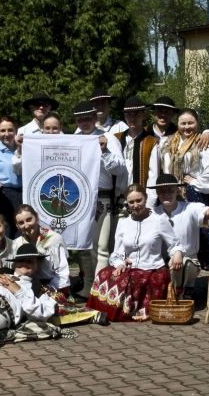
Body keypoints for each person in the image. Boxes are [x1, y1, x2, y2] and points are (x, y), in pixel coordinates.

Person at [87, 184, 181, 322]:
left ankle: (138, 310)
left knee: (139, 279)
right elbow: (117, 253)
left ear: (146, 198)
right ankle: (102, 312)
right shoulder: (123, 223)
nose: (135, 205)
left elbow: (174, 244)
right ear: (127, 203)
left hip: (152, 269)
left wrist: (177, 254)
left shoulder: (159, 220)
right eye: (131, 202)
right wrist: (119, 263)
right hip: (130, 268)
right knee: (104, 274)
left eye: (139, 200)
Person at [72, 101, 126, 299]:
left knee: (102, 247)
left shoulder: (109, 138)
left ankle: (99, 288)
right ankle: (87, 286)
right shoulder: (73, 139)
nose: (84, 122)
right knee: (83, 247)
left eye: (88, 118)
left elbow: (120, 169)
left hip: (102, 197)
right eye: (80, 119)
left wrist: (104, 151)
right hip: (79, 199)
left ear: (95, 118)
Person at [159, 108, 209, 269]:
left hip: (193, 194)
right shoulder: (167, 142)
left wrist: (196, 182)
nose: (187, 127)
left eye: (191, 123)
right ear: (177, 124)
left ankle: (199, 278)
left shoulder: (202, 141)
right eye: (183, 123)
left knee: (197, 236)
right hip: (171, 194)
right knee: (174, 233)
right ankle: (176, 275)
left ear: (198, 124)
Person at [150, 174, 209, 300]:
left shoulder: (189, 208)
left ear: (177, 191)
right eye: (162, 191)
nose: (166, 194)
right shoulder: (153, 213)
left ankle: (186, 290)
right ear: (157, 192)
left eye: (170, 190)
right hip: (161, 263)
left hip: (187, 261)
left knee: (183, 263)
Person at [12, 205, 70, 293]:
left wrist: (48, 288)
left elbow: (62, 273)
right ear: (17, 226)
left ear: (37, 217)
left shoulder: (54, 239)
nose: (26, 225)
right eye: (21, 223)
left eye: (29, 220)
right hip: (26, 287)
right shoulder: (17, 244)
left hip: (54, 286)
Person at [114, 96, 159, 207]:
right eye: (129, 114)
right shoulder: (116, 139)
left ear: (143, 115)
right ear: (124, 116)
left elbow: (153, 176)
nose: (132, 118)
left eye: (136, 114)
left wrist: (149, 205)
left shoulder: (151, 142)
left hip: (140, 202)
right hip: (118, 200)